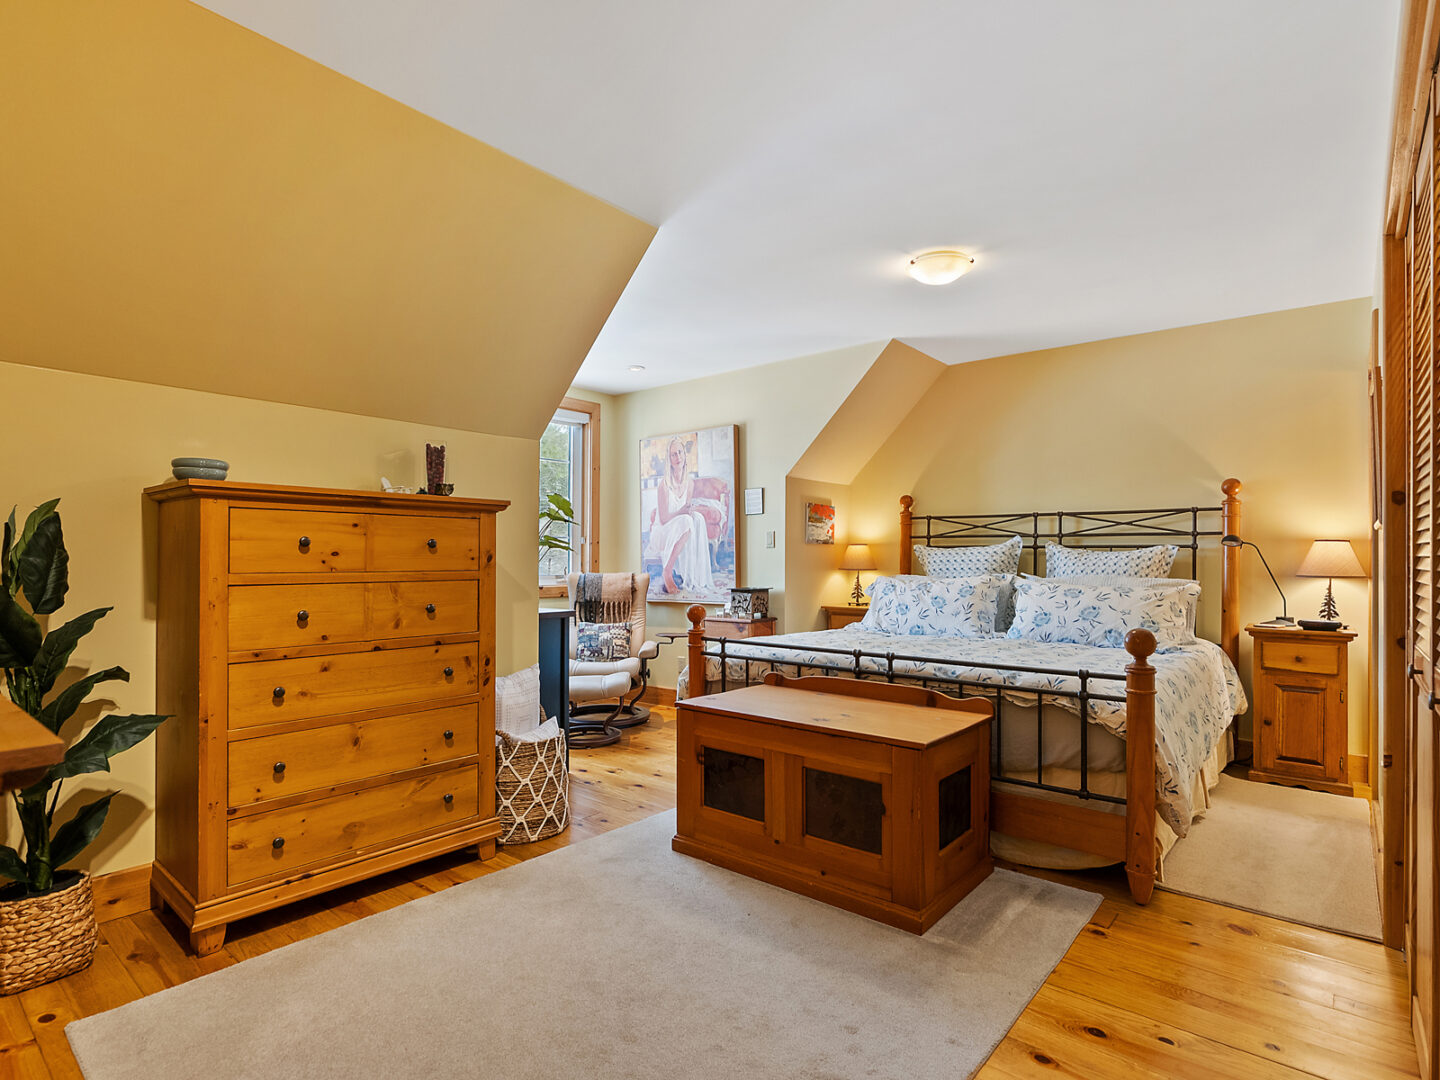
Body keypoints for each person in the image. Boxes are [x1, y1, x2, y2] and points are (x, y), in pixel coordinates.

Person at [645, 436, 720, 594]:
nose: (678, 457)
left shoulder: (689, 483)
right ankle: (667, 570)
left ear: (685, 455)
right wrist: (683, 513)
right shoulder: (664, 485)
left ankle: (695, 575)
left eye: (680, 452)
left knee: (696, 518)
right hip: (663, 531)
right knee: (686, 520)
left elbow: (686, 507)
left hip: (679, 526)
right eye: (673, 454)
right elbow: (664, 519)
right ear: (669, 459)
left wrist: (689, 511)